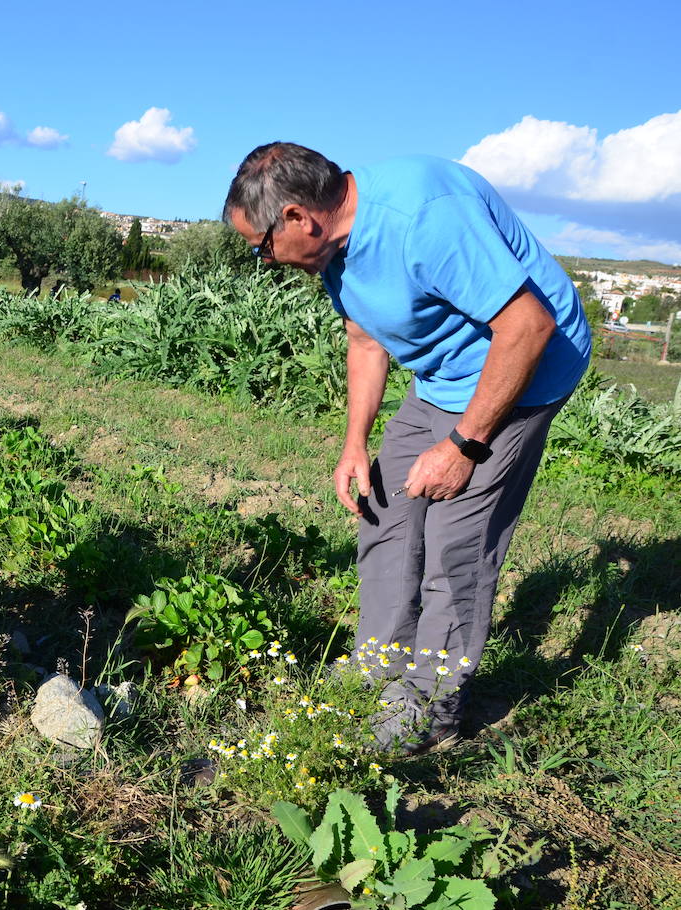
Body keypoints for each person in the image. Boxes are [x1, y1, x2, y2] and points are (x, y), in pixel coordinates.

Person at [224, 143, 591, 753]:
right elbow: (365, 339)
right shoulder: (335, 248)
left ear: (295, 217)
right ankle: (380, 661)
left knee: (456, 539)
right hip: (443, 378)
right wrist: (354, 444)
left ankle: (429, 708)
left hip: (521, 370)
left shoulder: (425, 216)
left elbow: (528, 326)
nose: (264, 261)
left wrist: (463, 447)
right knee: (385, 507)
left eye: (260, 247)